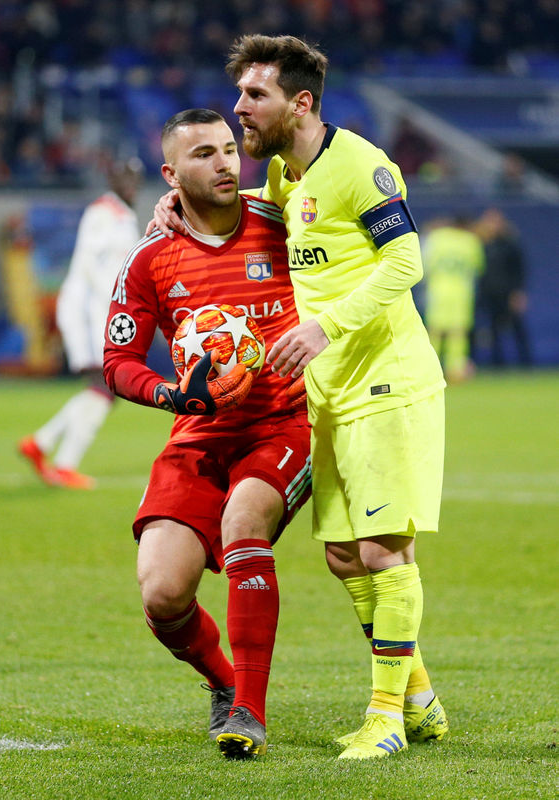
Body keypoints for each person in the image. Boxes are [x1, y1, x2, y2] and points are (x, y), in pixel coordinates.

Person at [150, 34, 449, 761]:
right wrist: (180, 198)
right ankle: (419, 700)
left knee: (383, 549)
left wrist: (325, 325)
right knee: (346, 557)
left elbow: (406, 259)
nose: (238, 110)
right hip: (333, 392)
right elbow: (271, 204)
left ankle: (385, 720)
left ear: (300, 102)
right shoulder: (288, 174)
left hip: (385, 381)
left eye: (254, 96)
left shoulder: (361, 166)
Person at [103, 109, 311, 760]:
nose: (224, 162)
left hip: (282, 422)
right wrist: (171, 394)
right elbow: (117, 361)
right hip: (198, 433)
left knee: (244, 520)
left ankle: (250, 709)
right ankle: (222, 683)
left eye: (228, 149)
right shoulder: (149, 258)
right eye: (202, 155)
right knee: (163, 593)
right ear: (170, 174)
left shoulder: (283, 228)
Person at [18, 158, 144, 488]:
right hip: (90, 310)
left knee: (104, 388)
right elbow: (89, 265)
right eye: (124, 176)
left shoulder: (125, 216)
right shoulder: (102, 212)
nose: (130, 183)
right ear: (111, 178)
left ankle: (41, 443)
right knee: (106, 386)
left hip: (103, 311)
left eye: (135, 178)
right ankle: (63, 463)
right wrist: (111, 313)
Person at [422, 215, 485, 382]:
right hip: (461, 292)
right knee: (458, 332)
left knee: (434, 331)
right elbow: (477, 267)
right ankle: (455, 371)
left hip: (438, 290)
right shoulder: (471, 240)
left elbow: (425, 264)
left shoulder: (437, 237)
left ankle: (428, 370)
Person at [476, 207, 532, 367]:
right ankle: (497, 364)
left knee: (517, 328)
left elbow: (519, 270)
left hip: (508, 293)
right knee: (493, 330)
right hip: (489, 294)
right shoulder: (482, 245)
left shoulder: (510, 244)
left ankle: (526, 363)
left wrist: (518, 292)